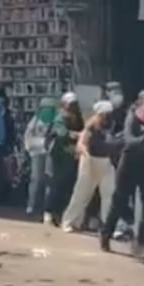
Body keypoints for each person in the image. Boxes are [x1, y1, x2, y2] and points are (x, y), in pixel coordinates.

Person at [100, 97, 144, 257]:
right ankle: (106, 234)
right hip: (129, 163)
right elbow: (131, 142)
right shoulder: (132, 118)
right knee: (119, 201)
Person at [60, 100, 115, 233]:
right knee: (81, 195)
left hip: (106, 163)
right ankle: (68, 221)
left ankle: (108, 226)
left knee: (109, 195)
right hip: (90, 162)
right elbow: (81, 144)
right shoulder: (91, 126)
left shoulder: (112, 125)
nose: (107, 116)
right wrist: (85, 154)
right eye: (105, 113)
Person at [45, 93, 84, 226]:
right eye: (70, 104)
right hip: (60, 155)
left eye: (75, 104)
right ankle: (49, 212)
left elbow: (83, 130)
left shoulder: (78, 118)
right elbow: (61, 133)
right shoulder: (60, 117)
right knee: (57, 184)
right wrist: (76, 135)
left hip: (73, 156)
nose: (73, 107)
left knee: (70, 185)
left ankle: (63, 214)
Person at [23, 97, 56, 217]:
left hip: (50, 152)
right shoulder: (35, 120)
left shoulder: (56, 121)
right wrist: (29, 148)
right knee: (36, 179)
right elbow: (27, 136)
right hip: (36, 152)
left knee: (48, 180)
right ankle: (31, 205)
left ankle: (46, 207)